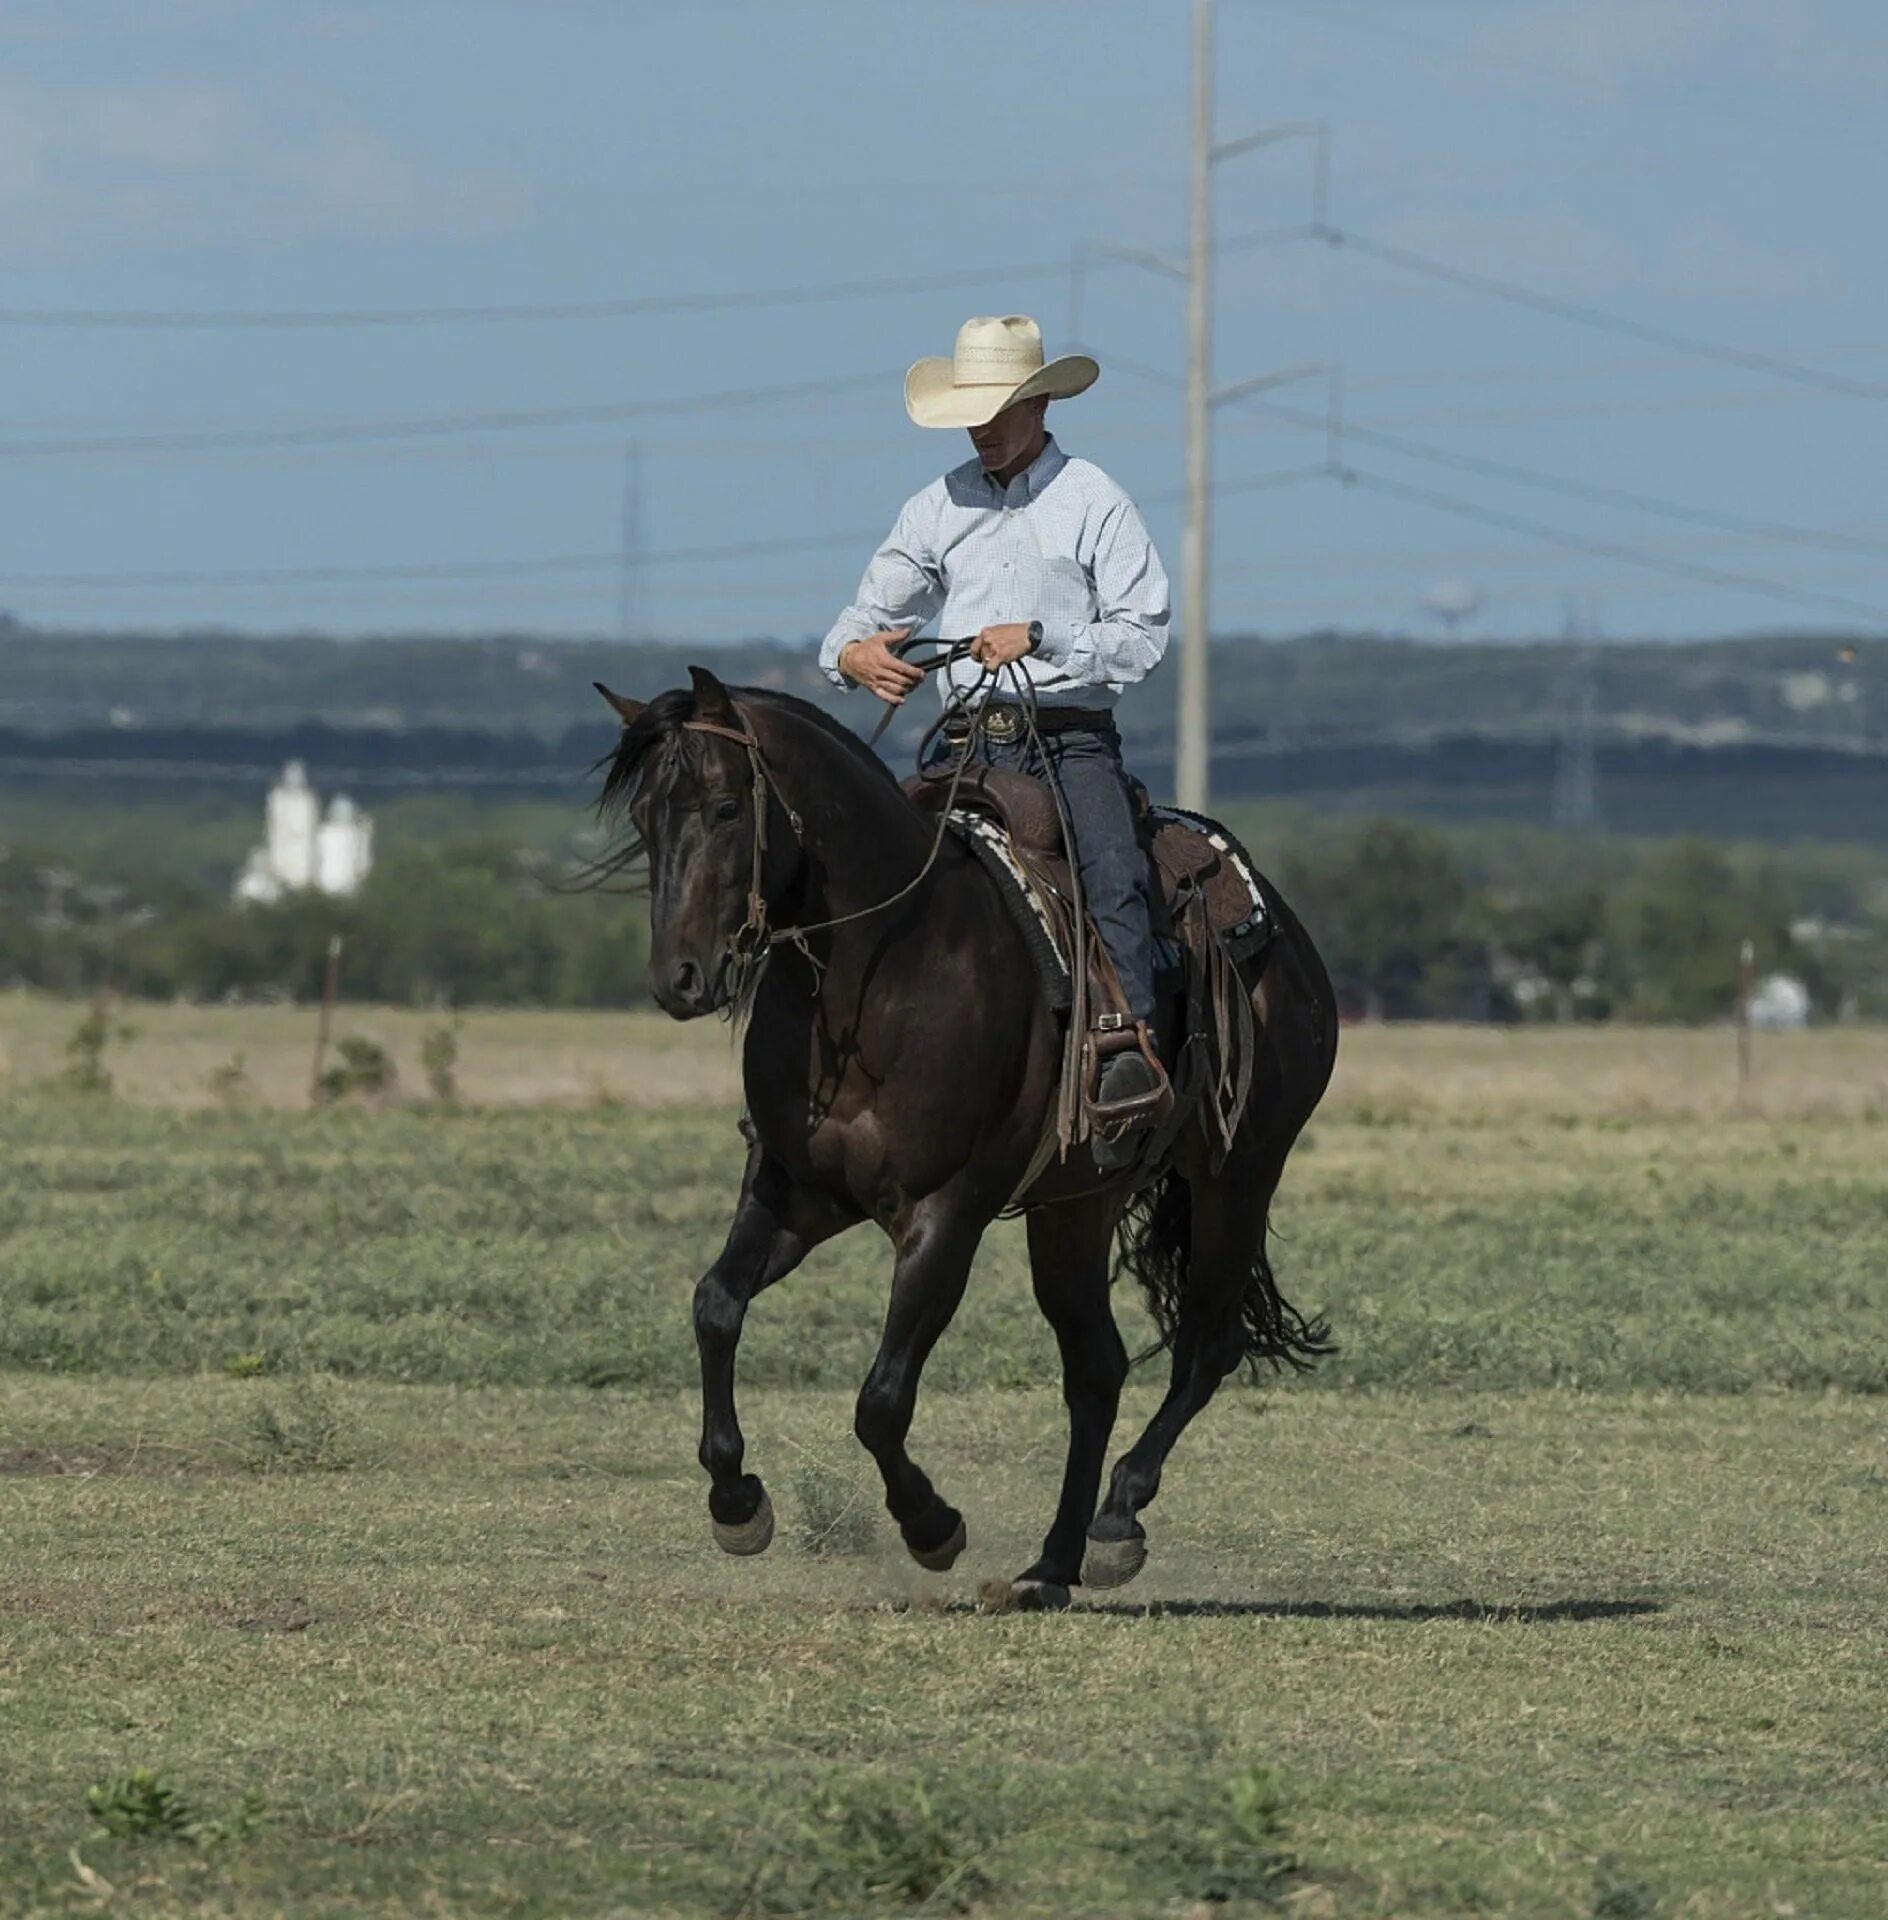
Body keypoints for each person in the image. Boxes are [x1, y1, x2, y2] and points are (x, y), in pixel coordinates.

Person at [820, 314, 1172, 1166]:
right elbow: (861, 621)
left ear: (1039, 404)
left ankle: (1129, 1059)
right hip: (965, 743)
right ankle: (844, 1059)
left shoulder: (1094, 500)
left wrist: (1043, 635)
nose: (979, 425)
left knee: (1114, 876)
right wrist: (855, 655)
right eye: (970, 410)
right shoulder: (937, 505)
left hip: (1068, 743)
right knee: (873, 875)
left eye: (996, 407)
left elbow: (1144, 635)